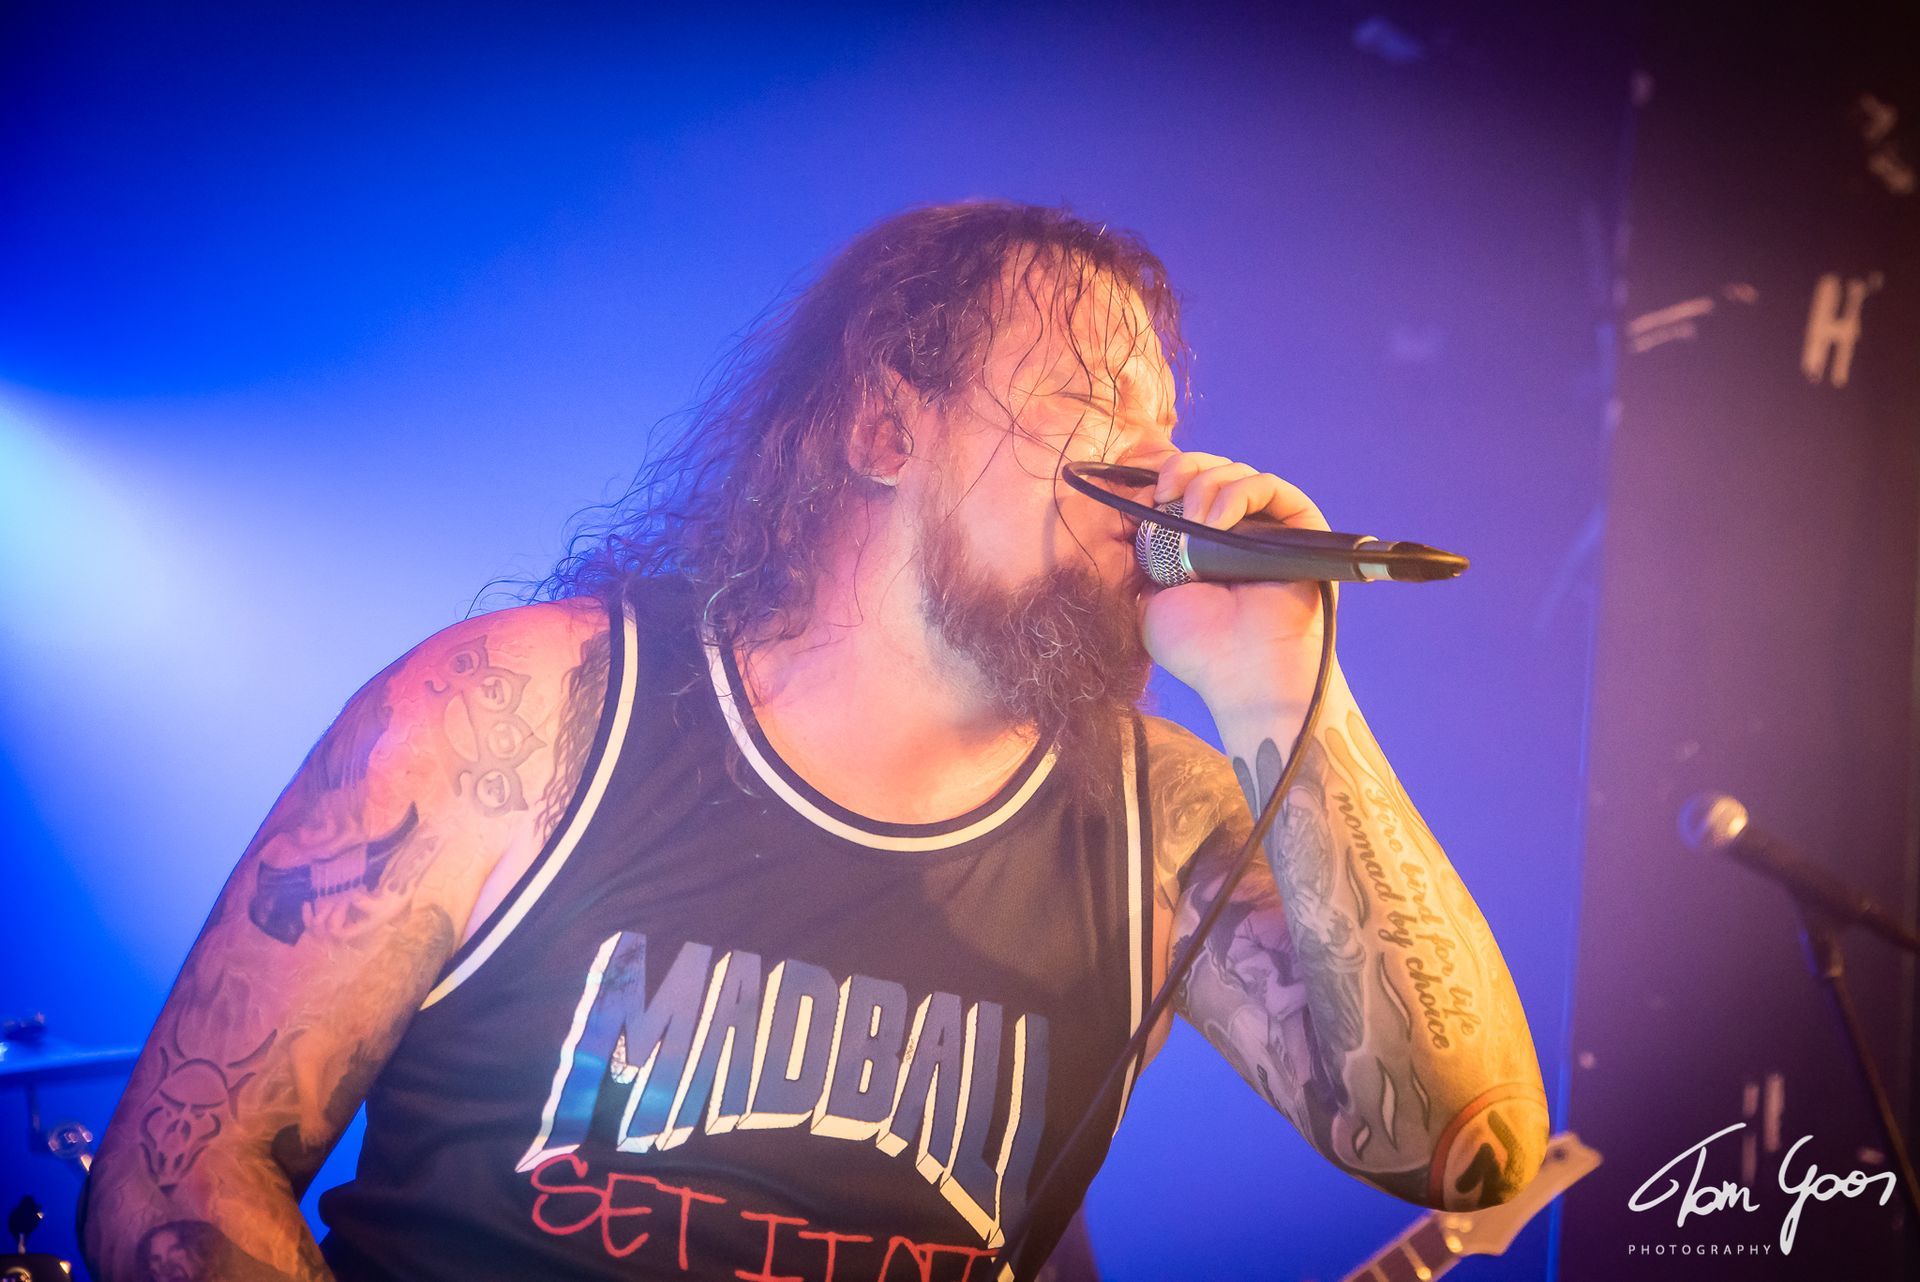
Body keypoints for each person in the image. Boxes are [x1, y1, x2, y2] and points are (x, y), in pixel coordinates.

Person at [81, 201, 1548, 1281]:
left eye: (1162, 424)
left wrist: (1287, 692)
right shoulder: (523, 713)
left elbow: (1463, 1144)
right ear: (884, 432)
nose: (1152, 465)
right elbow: (176, 1182)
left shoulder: (1157, 817)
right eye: (1084, 405)